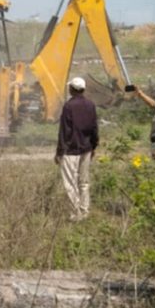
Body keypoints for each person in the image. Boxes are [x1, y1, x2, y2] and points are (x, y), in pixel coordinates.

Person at [54, 77, 99, 222]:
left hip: (71, 150)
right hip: (86, 148)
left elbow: (64, 131)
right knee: (84, 182)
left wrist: (59, 151)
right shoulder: (90, 105)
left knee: (70, 183)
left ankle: (75, 213)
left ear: (72, 89)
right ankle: (85, 211)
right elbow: (94, 128)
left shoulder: (68, 106)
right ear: (83, 89)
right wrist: (94, 146)